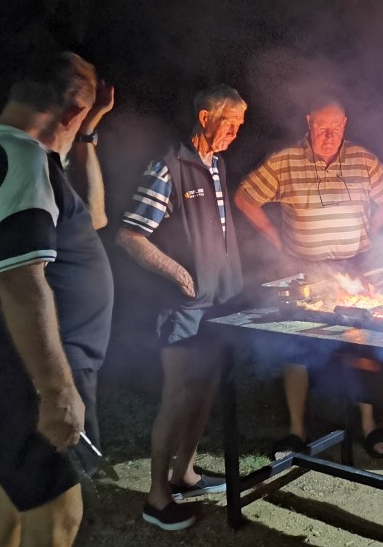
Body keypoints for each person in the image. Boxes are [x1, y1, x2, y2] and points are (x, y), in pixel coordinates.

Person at [0, 52, 115, 547]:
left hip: (1, 368)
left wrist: (88, 131)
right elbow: (21, 282)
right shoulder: (22, 161)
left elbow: (95, 217)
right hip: (33, 378)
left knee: (7, 514)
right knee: (56, 521)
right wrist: (57, 391)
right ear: (71, 111)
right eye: (81, 117)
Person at [235, 97, 383, 458]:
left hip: (353, 266)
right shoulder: (285, 161)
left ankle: (368, 424)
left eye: (336, 128)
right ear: (308, 122)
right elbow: (245, 197)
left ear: (345, 125)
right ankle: (297, 431)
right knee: (296, 346)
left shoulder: (362, 159)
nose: (329, 136)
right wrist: (274, 238)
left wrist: (370, 229)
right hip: (305, 271)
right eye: (322, 128)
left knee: (361, 345)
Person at [116, 85, 247, 531]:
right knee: (177, 394)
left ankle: (185, 474)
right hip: (181, 305)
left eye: (240, 125)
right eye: (230, 123)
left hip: (217, 302)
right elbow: (130, 235)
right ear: (206, 118)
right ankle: (157, 497)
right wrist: (177, 272)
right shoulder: (167, 167)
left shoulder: (216, 164)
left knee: (206, 387)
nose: (235, 132)